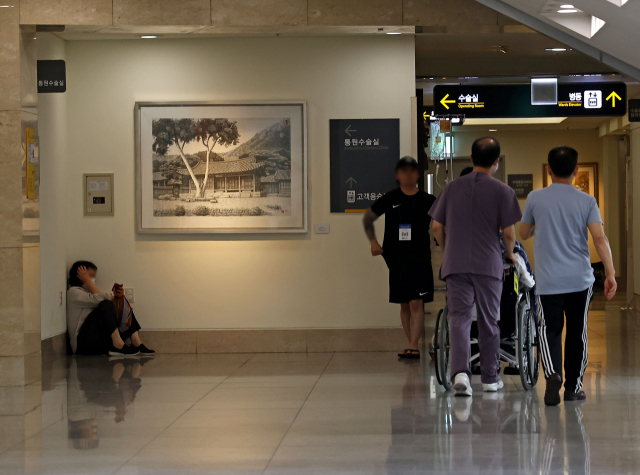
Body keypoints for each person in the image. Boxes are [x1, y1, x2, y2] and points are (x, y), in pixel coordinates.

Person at [519, 146, 616, 406]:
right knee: (577, 332)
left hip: (549, 281)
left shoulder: (535, 198)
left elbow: (523, 232)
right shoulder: (587, 201)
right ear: (576, 170)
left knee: (549, 330)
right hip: (580, 280)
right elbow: (599, 238)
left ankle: (553, 375)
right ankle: (573, 387)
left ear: (548, 169)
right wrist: (611, 273)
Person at [429, 137, 522, 395]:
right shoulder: (504, 191)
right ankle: (491, 378)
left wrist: (448, 250)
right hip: (488, 265)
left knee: (459, 319)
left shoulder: (451, 188)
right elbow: (510, 234)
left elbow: (436, 226)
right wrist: (511, 254)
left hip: (456, 264)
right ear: (496, 162)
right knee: (489, 320)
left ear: (471, 159)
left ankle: (460, 374)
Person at [363, 156, 436, 359]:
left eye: (412, 171)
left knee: (416, 302)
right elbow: (368, 218)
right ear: (398, 175)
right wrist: (373, 242)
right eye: (404, 171)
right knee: (404, 304)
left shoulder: (428, 200)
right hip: (395, 258)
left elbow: (443, 223)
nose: (408, 174)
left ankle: (413, 345)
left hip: (420, 258)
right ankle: (411, 343)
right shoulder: (390, 198)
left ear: (418, 175)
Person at [67, 260, 155, 356]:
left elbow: (100, 298)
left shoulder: (88, 294)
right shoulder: (73, 292)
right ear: (79, 275)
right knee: (106, 304)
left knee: (121, 303)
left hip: (97, 341)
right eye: (90, 276)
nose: (93, 280)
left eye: (93, 276)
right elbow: (98, 299)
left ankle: (136, 342)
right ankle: (118, 345)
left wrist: (119, 297)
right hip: (82, 345)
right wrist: (87, 280)